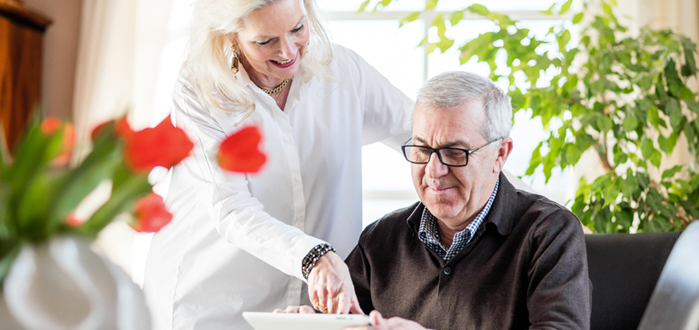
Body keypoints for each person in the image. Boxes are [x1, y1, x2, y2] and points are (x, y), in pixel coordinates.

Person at [142, 0, 414, 329]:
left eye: (298, 28)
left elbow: (422, 134)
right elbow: (231, 208)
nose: (287, 51)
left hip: (305, 310)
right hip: (211, 302)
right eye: (265, 41)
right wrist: (314, 256)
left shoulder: (344, 72)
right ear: (231, 36)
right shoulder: (200, 90)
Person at [343, 71, 592, 329]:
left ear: (500, 154)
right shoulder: (380, 239)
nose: (433, 171)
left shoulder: (549, 232)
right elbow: (338, 319)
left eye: (453, 152)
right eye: (422, 150)